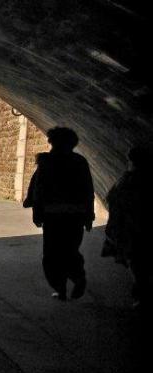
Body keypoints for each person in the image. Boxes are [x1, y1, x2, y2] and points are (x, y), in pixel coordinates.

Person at [23, 127, 94, 301]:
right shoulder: (79, 161)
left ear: (52, 142)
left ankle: (60, 288)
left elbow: (39, 189)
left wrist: (36, 212)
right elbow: (87, 190)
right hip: (75, 216)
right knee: (70, 249)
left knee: (52, 254)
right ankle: (78, 277)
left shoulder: (47, 161)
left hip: (53, 216)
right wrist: (88, 215)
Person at [103, 145, 153, 308]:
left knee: (136, 262)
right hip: (139, 225)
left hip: (132, 227)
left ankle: (142, 294)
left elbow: (113, 199)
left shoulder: (129, 178)